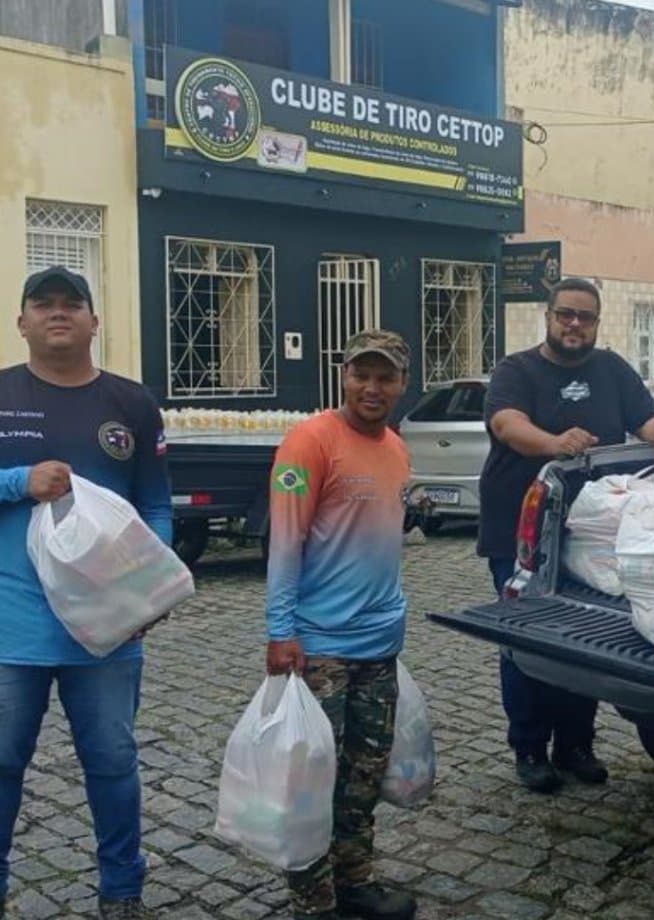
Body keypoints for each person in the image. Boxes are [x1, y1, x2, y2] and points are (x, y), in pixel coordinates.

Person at [0, 267, 172, 920]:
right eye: (41, 304)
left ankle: (122, 891)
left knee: (112, 762)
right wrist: (20, 481)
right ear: (22, 322)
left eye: (73, 304)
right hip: (11, 630)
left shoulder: (131, 404)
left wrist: (144, 596)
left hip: (106, 631)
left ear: (96, 322)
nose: (58, 313)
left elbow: (153, 506)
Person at [477, 277, 654, 793]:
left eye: (585, 317)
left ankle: (575, 744)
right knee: (525, 638)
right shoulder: (517, 370)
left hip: (588, 539)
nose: (574, 324)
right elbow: (506, 424)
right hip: (520, 534)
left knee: (578, 641)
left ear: (596, 323)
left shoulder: (611, 370)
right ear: (548, 317)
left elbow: (649, 417)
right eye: (565, 314)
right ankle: (529, 746)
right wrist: (553, 442)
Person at [264, 329, 417, 920]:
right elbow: (285, 542)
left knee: (363, 774)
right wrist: (281, 632)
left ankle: (355, 880)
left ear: (402, 384)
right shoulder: (309, 443)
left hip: (379, 643)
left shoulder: (397, 448)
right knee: (313, 781)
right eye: (361, 374)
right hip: (318, 646)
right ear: (344, 375)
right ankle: (314, 901)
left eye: (385, 377)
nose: (371, 388)